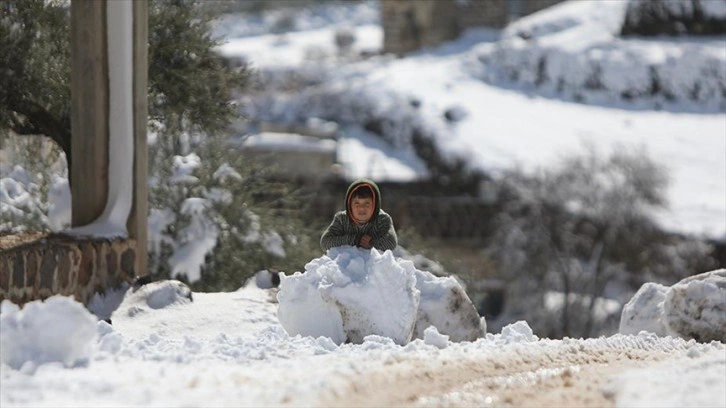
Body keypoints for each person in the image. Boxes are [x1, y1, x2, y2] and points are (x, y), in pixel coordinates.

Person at [320, 178, 398, 252]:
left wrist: (371, 242)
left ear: (375, 205)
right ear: (349, 205)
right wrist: (355, 240)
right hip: (345, 264)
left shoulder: (382, 219)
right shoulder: (341, 219)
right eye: (357, 204)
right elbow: (325, 243)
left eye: (367, 204)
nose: (361, 208)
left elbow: (391, 243)